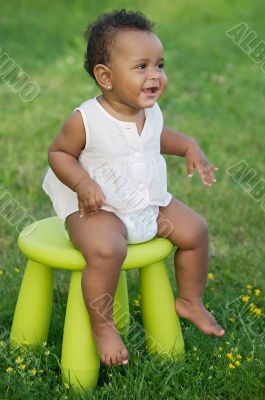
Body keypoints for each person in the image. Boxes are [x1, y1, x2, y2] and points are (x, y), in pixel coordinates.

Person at [42, 9, 225, 367]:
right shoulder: (87, 120)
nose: (155, 75)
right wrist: (83, 182)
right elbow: (58, 153)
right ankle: (103, 324)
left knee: (195, 230)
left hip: (145, 203)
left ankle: (190, 300)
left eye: (160, 64)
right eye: (141, 67)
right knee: (108, 250)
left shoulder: (150, 112)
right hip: (97, 209)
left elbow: (158, 138)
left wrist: (188, 146)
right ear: (105, 76)